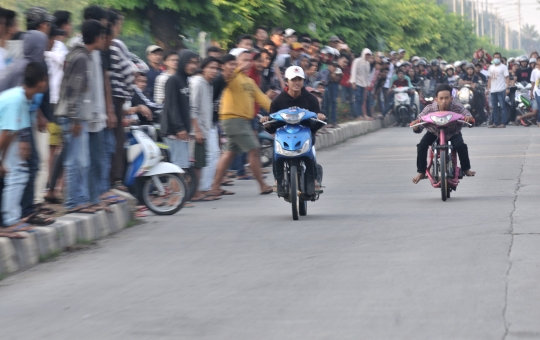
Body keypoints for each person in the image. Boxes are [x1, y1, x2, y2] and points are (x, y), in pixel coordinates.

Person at [55, 19, 106, 213]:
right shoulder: (81, 58)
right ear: (97, 37)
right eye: (102, 36)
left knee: (80, 160)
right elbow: (74, 91)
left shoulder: (82, 55)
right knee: (76, 160)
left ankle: (79, 200)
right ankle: (73, 203)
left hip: (75, 116)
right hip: (73, 117)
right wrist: (76, 119)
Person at [208, 49, 274, 196]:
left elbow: (263, 99)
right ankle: (262, 185)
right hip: (233, 119)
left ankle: (215, 186)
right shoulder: (231, 76)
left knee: (229, 153)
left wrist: (279, 110)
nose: (247, 63)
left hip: (243, 121)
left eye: (248, 60)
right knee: (254, 149)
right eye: (243, 60)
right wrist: (236, 68)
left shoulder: (249, 81)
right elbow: (227, 75)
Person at [261, 66, 326, 196]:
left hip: (305, 134)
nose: (296, 82)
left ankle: (313, 179)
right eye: (293, 79)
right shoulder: (278, 101)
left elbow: (317, 123)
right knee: (276, 151)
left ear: (303, 81)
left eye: (299, 79)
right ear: (287, 81)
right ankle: (278, 180)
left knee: (310, 153)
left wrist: (320, 117)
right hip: (284, 135)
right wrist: (266, 121)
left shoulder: (311, 99)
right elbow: (272, 124)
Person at [0, 62, 48, 232]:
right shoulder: (18, 99)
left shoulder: (24, 98)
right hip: (2, 137)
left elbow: (13, 132)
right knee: (18, 174)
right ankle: (9, 221)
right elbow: (6, 133)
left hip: (5, 138)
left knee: (18, 172)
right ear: (41, 82)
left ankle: (10, 219)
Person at [411, 84, 475, 184]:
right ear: (436, 99)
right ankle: (421, 172)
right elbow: (419, 123)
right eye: (441, 98)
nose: (444, 101)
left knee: (460, 145)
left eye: (447, 98)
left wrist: (469, 119)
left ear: (451, 98)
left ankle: (466, 169)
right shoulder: (429, 108)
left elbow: (469, 117)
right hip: (434, 133)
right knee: (422, 145)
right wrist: (416, 125)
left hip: (452, 133)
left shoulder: (457, 107)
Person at [190, 57, 222, 201]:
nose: (214, 71)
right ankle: (198, 191)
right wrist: (197, 130)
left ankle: (204, 188)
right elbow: (193, 109)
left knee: (213, 155)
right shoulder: (198, 83)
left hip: (208, 126)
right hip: (199, 128)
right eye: (211, 68)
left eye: (216, 68)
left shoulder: (208, 84)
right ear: (203, 68)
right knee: (201, 160)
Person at [161, 49, 199, 171]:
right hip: (175, 131)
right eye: (189, 62)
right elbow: (172, 106)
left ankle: (178, 190)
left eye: (195, 63)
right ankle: (177, 191)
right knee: (178, 167)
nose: (193, 66)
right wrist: (180, 127)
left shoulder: (186, 81)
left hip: (183, 132)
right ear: (182, 62)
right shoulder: (173, 80)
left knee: (183, 166)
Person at [487, 53, 509, 128]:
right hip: (493, 90)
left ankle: (503, 123)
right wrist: (488, 88)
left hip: (501, 89)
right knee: (494, 107)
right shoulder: (491, 67)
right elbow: (489, 78)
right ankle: (495, 123)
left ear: (500, 58)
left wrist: (507, 88)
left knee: (502, 107)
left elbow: (507, 78)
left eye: (498, 57)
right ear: (493, 58)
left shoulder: (503, 67)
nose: (496, 59)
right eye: (495, 57)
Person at [350, 48, 372, 120]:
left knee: (363, 99)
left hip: (364, 84)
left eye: (369, 55)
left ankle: (363, 114)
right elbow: (354, 71)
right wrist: (353, 82)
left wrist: (368, 84)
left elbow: (368, 74)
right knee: (358, 98)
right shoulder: (357, 61)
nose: (367, 56)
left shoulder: (368, 63)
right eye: (366, 55)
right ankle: (358, 115)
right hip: (357, 82)